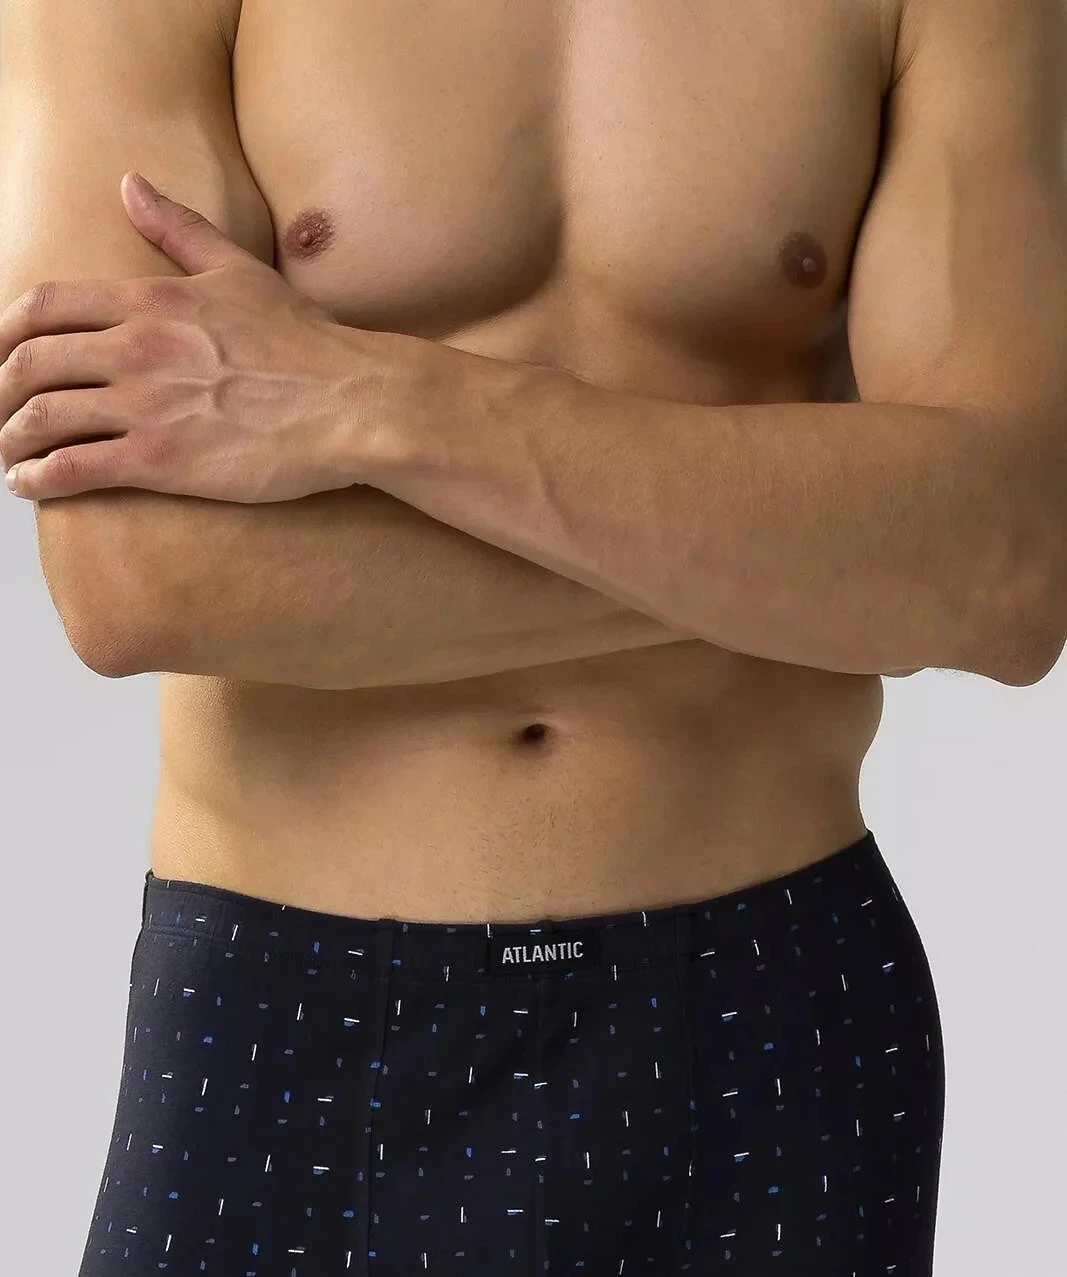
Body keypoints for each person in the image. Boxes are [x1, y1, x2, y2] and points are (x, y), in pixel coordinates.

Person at [1, 0, 1064, 1272]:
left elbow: (1008, 561)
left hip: (768, 1014)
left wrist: (378, 399)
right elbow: (137, 575)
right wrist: (804, 551)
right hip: (293, 1014)